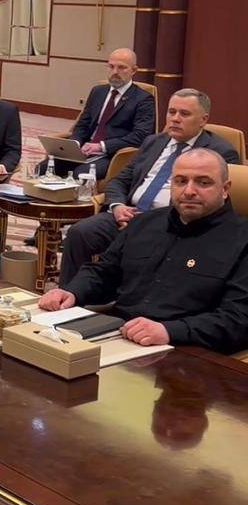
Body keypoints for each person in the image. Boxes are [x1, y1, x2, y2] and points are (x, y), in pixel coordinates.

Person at [39, 148, 248, 354]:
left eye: (203, 183)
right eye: (181, 181)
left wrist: (169, 331)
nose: (189, 191)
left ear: (225, 188)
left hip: (188, 350)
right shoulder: (144, 222)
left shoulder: (242, 240)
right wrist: (72, 291)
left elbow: (238, 319)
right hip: (118, 336)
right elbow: (104, 272)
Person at [59, 89, 240, 284]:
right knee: (79, 233)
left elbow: (213, 202)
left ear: (203, 119)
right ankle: (70, 296)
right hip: (128, 215)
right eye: (172, 112)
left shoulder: (219, 152)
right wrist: (117, 206)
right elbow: (119, 181)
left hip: (170, 224)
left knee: (139, 251)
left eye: (184, 114)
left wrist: (150, 222)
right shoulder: (154, 142)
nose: (175, 119)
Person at [43, 48, 155, 179]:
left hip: (112, 154)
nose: (115, 72)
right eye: (111, 66)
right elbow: (82, 124)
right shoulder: (98, 92)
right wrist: (76, 143)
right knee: (44, 168)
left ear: (134, 70)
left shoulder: (143, 99)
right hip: (85, 149)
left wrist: (101, 146)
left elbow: (140, 136)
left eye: (121, 67)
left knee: (81, 175)